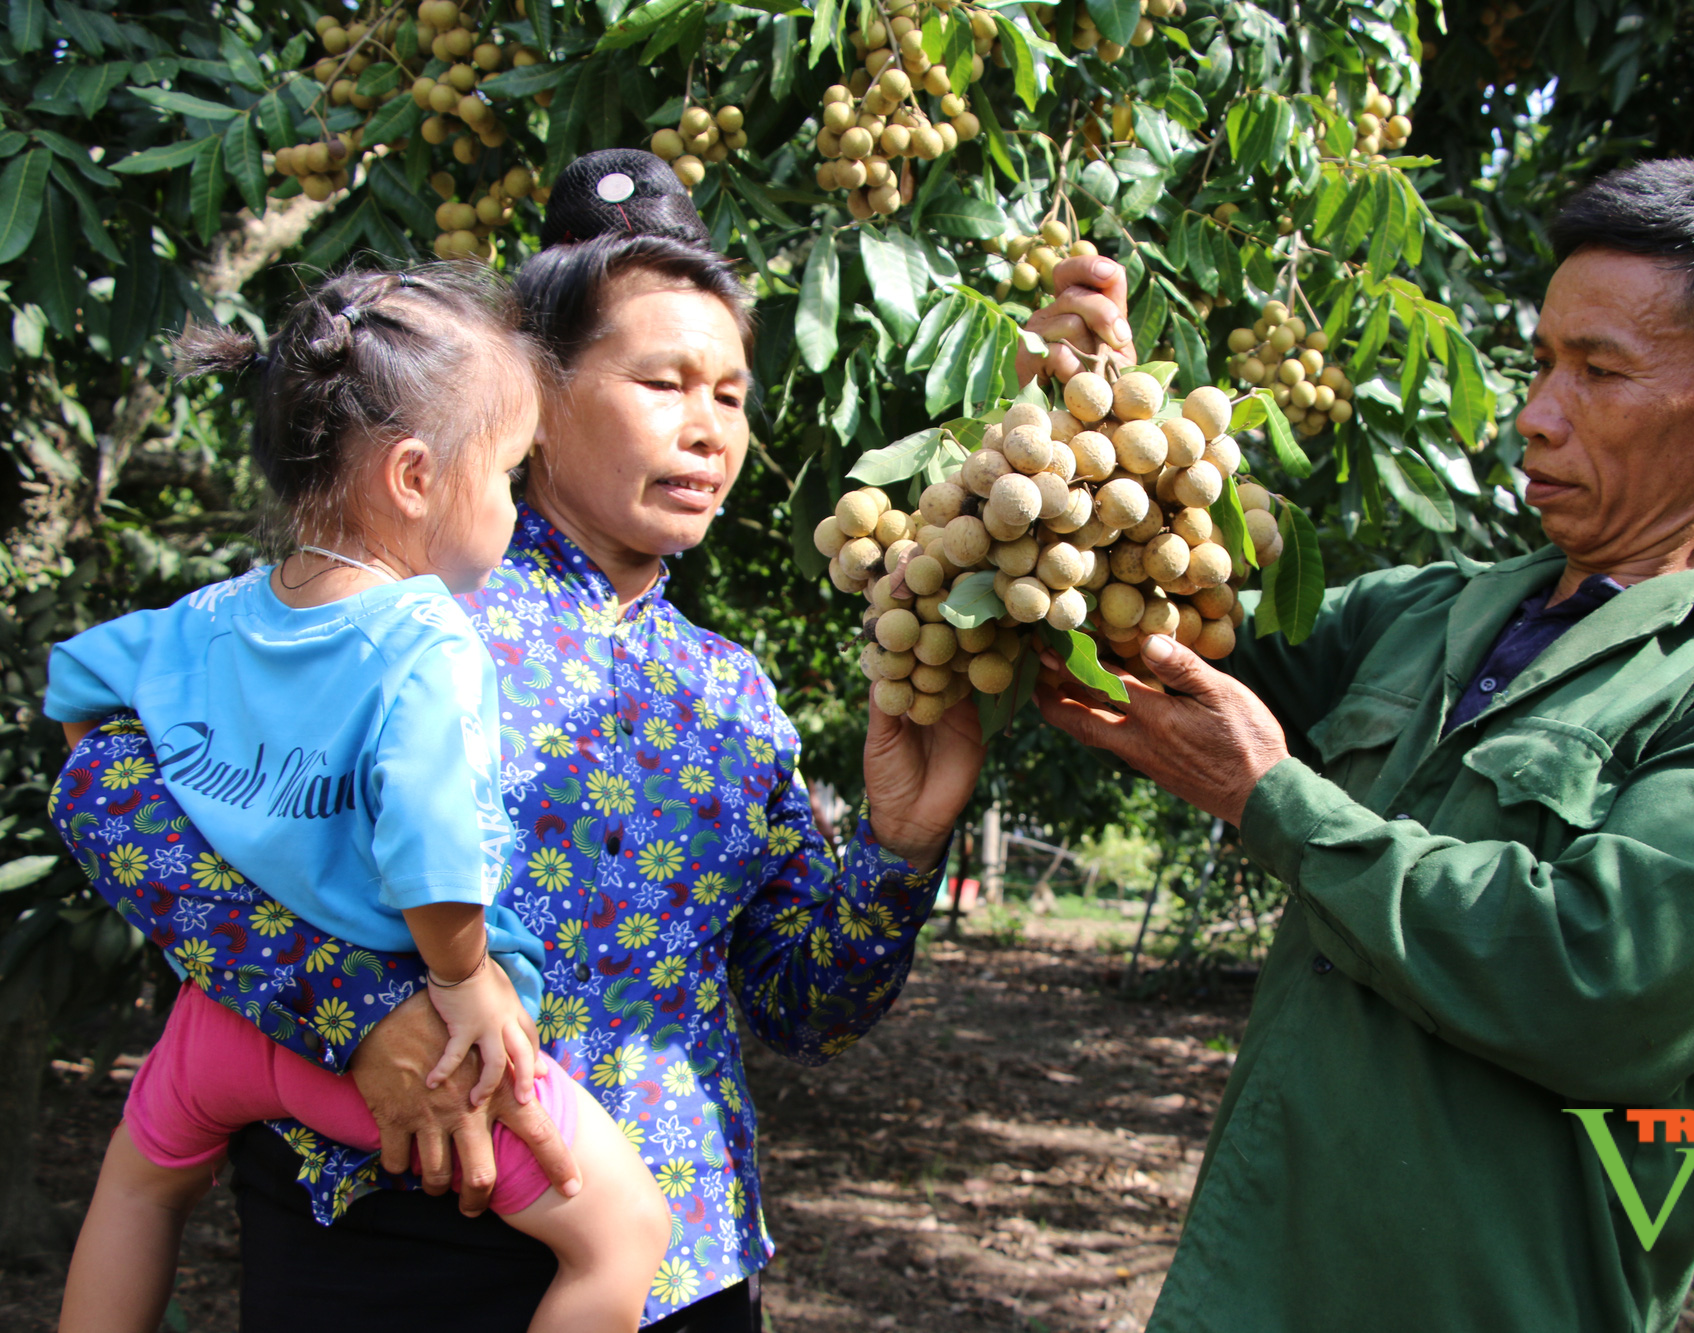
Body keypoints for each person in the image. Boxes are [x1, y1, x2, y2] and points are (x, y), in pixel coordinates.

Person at [54, 148, 1131, 1332]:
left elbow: (802, 1006)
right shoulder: (402, 595)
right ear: (540, 392)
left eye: (728, 394)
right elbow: (107, 789)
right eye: (663, 382)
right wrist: (355, 1012)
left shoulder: (728, 691)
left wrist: (898, 846)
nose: (707, 427)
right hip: (390, 1234)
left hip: (679, 1263)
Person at [1035, 157, 1694, 1330]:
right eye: (1542, 361)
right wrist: (1097, 417)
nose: (1535, 412)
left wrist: (1274, 801)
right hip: (1247, 1291)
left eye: (1597, 371)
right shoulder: (1425, 612)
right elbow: (1149, 638)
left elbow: (1599, 984)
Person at [49, 266, 671, 1333]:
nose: (516, 510)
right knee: (624, 1232)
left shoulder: (211, 615)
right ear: (416, 477)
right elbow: (434, 852)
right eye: (509, 474)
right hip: (398, 1018)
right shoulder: (427, 637)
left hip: (221, 1019)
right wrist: (463, 983)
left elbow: (78, 697)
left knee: (139, 1184)